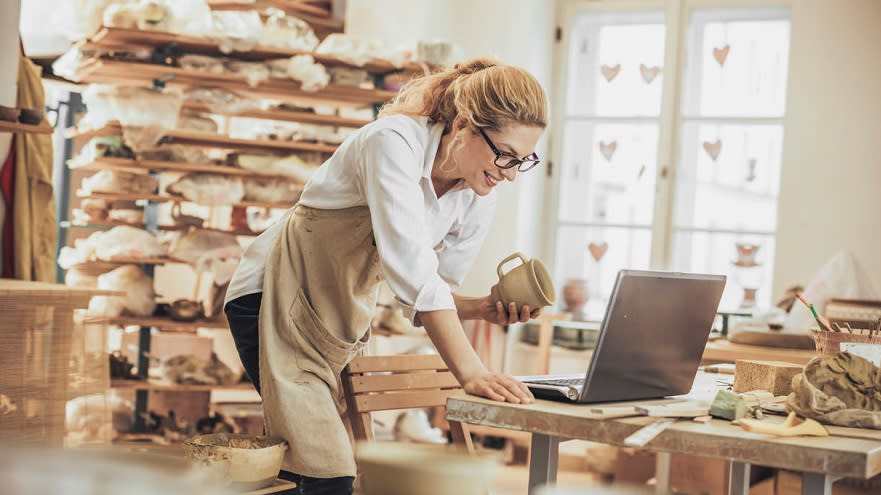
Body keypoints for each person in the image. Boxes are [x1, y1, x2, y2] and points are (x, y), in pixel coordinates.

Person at [224, 57, 548, 495]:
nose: (509, 174)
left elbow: (433, 290)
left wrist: (482, 309)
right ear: (466, 125)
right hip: (272, 300)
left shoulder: (476, 192)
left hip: (334, 322)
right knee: (322, 469)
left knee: (326, 468)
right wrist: (471, 372)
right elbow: (415, 275)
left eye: (522, 161)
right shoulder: (392, 142)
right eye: (505, 155)